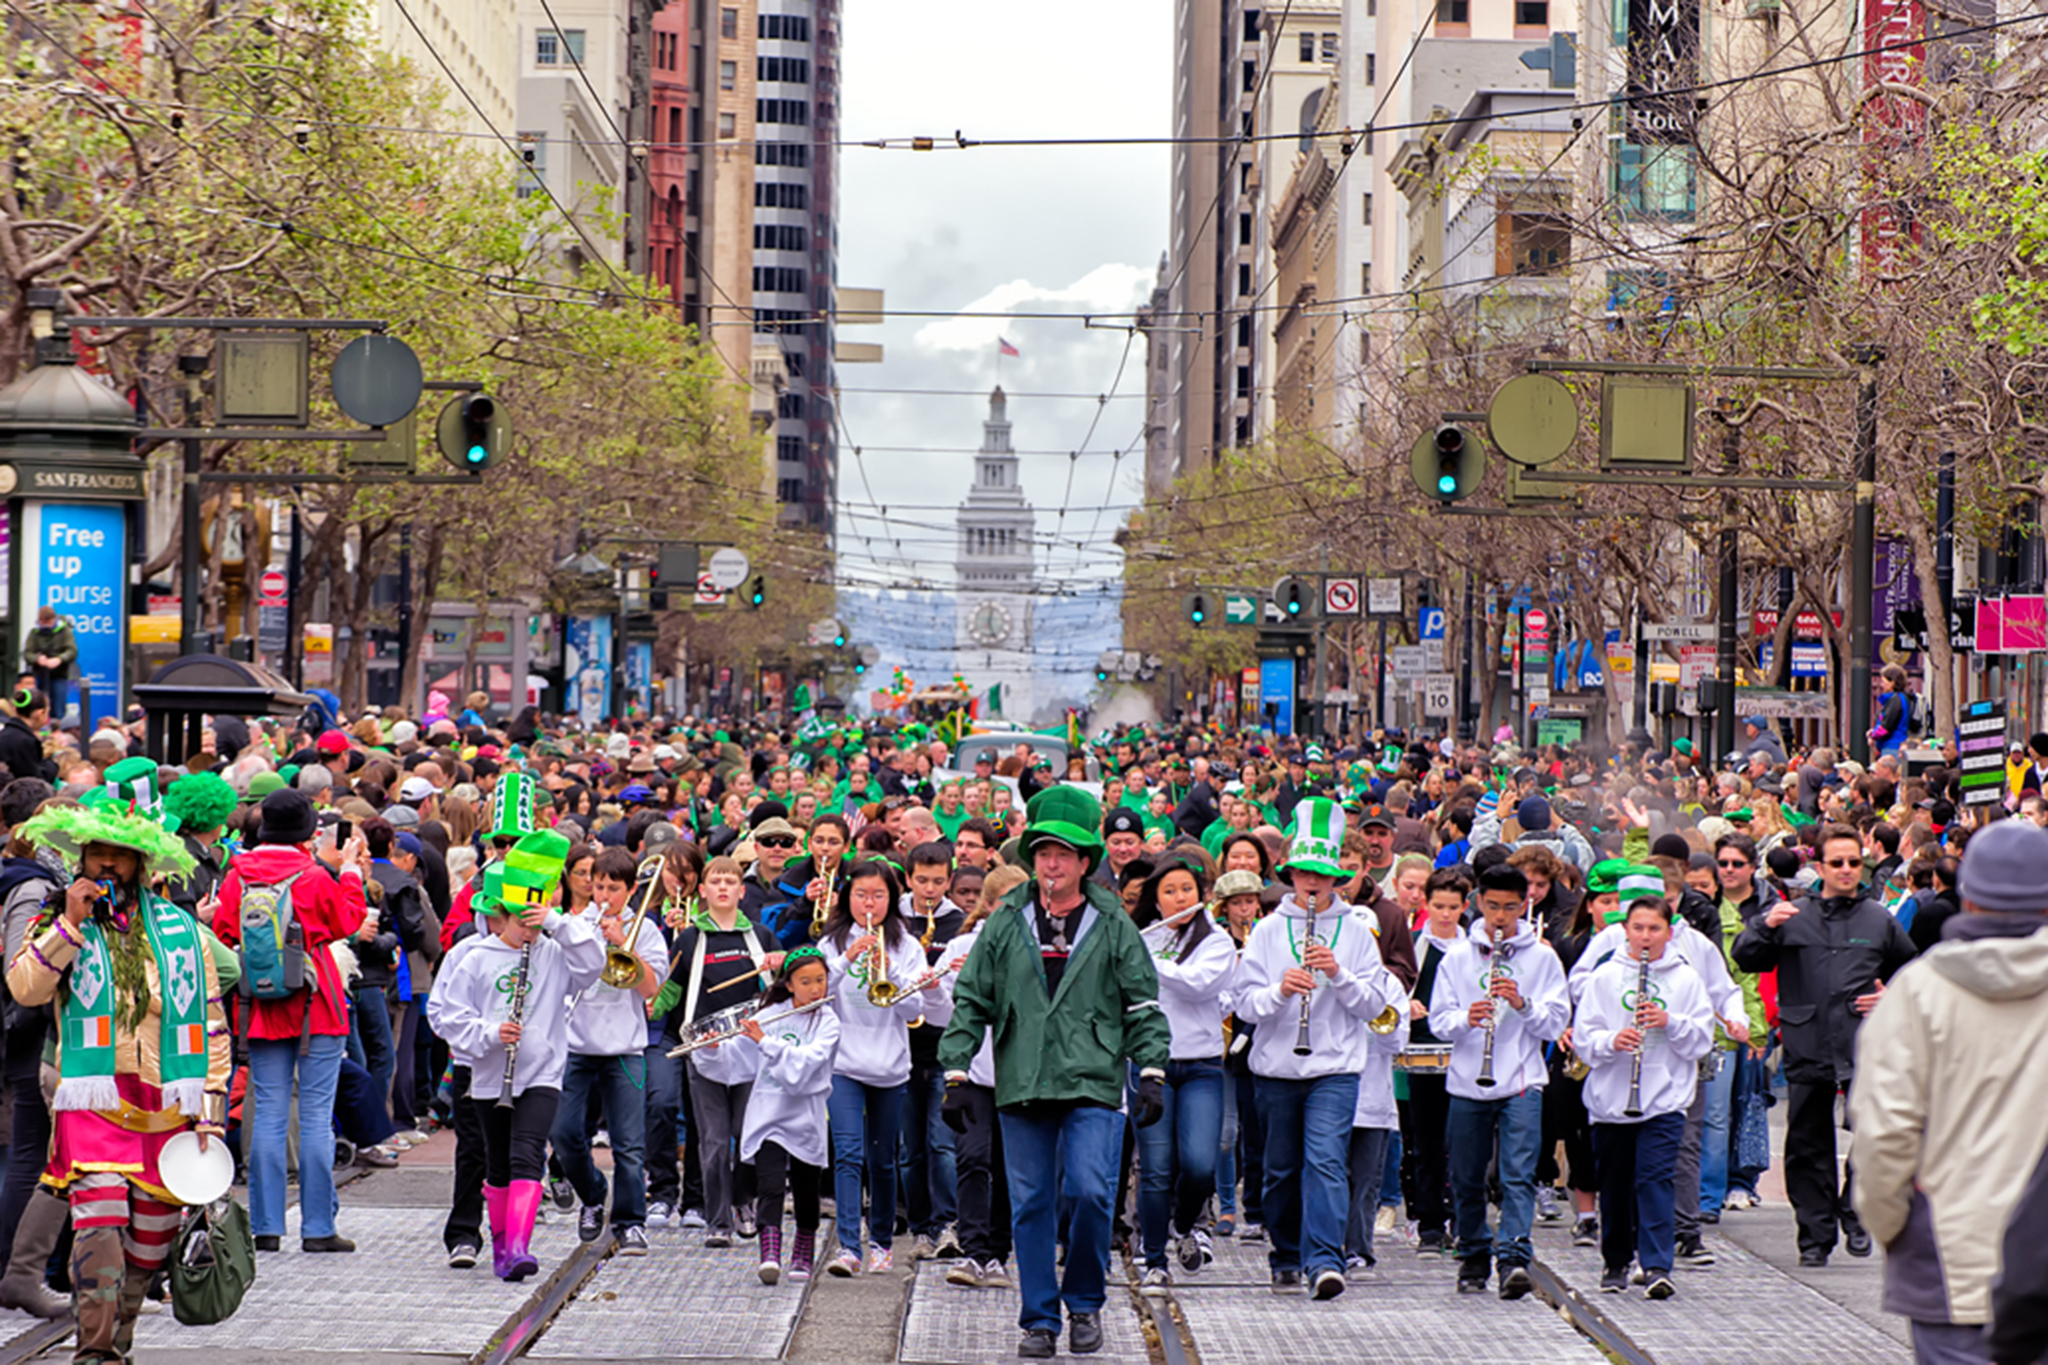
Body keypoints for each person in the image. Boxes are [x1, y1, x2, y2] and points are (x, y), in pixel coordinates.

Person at [938, 786, 1170, 1360]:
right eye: (1043, 852)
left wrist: (1153, 1072)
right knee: (1032, 1202)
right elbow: (971, 999)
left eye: (1065, 853)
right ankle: (1040, 1318)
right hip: (1023, 1078)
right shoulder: (1005, 920)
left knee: (1091, 1192)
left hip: (1094, 1076)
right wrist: (956, 1073)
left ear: (1086, 861)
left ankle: (1085, 1302)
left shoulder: (1114, 921)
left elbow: (1142, 1004)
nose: (1053, 863)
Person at [4, 785, 231, 1364]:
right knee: (99, 1227)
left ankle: (119, 1339)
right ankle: (95, 1350)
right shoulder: (59, 918)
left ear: (141, 864)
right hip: (92, 1097)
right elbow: (25, 987)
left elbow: (210, 1021)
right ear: (82, 859)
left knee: (151, 1241)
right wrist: (70, 928)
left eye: (120, 855)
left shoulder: (181, 933)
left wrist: (210, 1110)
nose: (107, 864)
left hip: (165, 1104)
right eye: (98, 853)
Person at [1851, 818, 2048, 1365]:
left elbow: (1884, 1135)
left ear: (1968, 895)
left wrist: (1894, 1228)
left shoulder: (1919, 992)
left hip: (1947, 1260)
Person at [1235, 798, 1404, 1301]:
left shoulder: (1356, 931)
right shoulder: (1267, 930)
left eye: (1323, 875)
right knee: (1280, 1169)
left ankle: (1325, 1261)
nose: (1312, 883)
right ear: (1290, 874)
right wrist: (1280, 992)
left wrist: (1337, 973)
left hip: (1336, 1068)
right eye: (1304, 872)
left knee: (1327, 1161)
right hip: (1276, 1069)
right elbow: (1243, 1003)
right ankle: (1286, 1253)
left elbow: (1375, 1005)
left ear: (1337, 880)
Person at [1733, 823, 1916, 1266]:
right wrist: (1764, 925)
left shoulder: (1878, 919)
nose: (1847, 870)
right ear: (1820, 867)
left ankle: (1855, 1212)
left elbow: (1914, 969)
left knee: (1877, 1135)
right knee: (1807, 1145)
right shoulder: (1795, 915)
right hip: (1808, 1040)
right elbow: (1745, 956)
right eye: (1837, 863)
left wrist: (1891, 994)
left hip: (1864, 1044)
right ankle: (1814, 1235)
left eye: (1854, 862)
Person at [427, 832, 603, 1279]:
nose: (529, 929)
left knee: (528, 1152)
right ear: (498, 916)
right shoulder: (474, 957)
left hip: (541, 1071)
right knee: (497, 1162)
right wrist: (490, 1033)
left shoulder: (553, 951)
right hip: (488, 1074)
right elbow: (446, 1016)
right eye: (520, 920)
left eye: (533, 920)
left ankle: (521, 1246)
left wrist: (557, 922)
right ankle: (504, 1250)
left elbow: (593, 963)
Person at [213, 788, 368, 1255]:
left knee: (269, 1115)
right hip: (316, 1004)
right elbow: (348, 921)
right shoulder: (314, 875)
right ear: (305, 832)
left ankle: (266, 1226)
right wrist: (353, 872)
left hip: (259, 1007)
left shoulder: (236, 874)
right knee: (318, 1115)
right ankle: (318, 1227)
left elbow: (223, 932)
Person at [1429, 861, 1570, 1298]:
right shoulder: (1457, 956)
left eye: (1510, 908)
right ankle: (1473, 1253)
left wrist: (1523, 1004)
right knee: (1467, 1175)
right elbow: (1438, 1021)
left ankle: (1513, 1256)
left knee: (1517, 1173)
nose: (1500, 918)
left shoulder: (1542, 957)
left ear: (1524, 906)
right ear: (1479, 904)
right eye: (1492, 908)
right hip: (1468, 1079)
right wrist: (1466, 1018)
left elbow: (1556, 1023)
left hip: (1523, 1079)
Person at [1576, 889, 1715, 1301]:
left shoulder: (1685, 978)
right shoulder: (1603, 977)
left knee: (1655, 1179)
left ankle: (1656, 1266)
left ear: (1668, 933)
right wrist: (1611, 1041)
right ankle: (1616, 1261)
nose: (1645, 936)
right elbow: (1585, 1040)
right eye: (1637, 928)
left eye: (1654, 929)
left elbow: (1701, 1040)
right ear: (1625, 931)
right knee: (1615, 1185)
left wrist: (1669, 1021)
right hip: (1611, 1100)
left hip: (1664, 1097)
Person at [818, 858, 946, 1275]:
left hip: (891, 1065)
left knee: (883, 1160)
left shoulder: (906, 945)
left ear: (891, 898)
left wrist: (888, 971)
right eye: (860, 895)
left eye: (878, 895)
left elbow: (912, 1010)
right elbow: (816, 998)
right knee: (849, 1155)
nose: (869, 903)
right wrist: (846, 961)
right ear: (847, 897)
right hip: (843, 1065)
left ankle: (882, 1242)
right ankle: (850, 1248)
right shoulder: (831, 942)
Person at [651, 855, 780, 1247]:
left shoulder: (760, 935)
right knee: (713, 1139)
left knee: (749, 1133)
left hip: (751, 1046)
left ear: (742, 891)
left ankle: (744, 1200)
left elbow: (785, 984)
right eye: (715, 881)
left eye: (730, 881)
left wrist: (784, 962)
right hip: (704, 1049)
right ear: (703, 891)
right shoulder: (690, 937)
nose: (723, 887)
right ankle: (717, 1220)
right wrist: (650, 1007)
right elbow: (671, 988)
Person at [1127, 854, 1234, 1293]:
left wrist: (1143, 962)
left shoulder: (1217, 941)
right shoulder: (1140, 937)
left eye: (1186, 890)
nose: (1177, 898)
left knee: (1199, 1163)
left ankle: (1185, 1223)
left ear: (1202, 894)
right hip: (1149, 1066)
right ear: (1156, 897)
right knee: (1154, 1167)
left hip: (1203, 1065)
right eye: (1168, 891)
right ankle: (1154, 1260)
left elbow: (1197, 984)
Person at [554, 847, 668, 1255]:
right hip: (576, 1045)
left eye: (613, 888)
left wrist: (625, 944)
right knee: (564, 1134)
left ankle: (630, 1222)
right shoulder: (573, 925)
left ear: (631, 889)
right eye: (598, 885)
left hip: (625, 1048)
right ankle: (592, 1194)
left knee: (629, 1144)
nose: (604, 895)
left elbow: (652, 988)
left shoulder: (647, 930)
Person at [739, 947, 840, 1284]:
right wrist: (712, 1049)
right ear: (790, 985)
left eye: (821, 980)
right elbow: (737, 1059)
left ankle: (803, 1251)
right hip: (768, 1114)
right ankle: (769, 1253)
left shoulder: (828, 1021)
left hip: (806, 1116)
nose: (815, 989)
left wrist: (765, 1042)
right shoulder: (769, 1014)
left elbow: (805, 1068)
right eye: (805, 981)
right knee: (769, 1185)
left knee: (806, 1188)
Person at [21, 607, 75, 718]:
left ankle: (57, 728)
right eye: (43, 622)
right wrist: (37, 659)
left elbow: (72, 651)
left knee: (58, 707)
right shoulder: (34, 633)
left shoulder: (64, 631)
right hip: (39, 675)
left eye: (48, 622)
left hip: (59, 675)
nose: (46, 625)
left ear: (54, 620)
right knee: (37, 706)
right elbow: (27, 653)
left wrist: (59, 659)